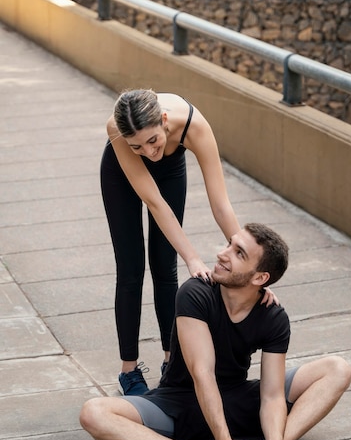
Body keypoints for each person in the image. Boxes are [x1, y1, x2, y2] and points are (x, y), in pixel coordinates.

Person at [80, 223, 351, 440]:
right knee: (94, 413)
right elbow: (203, 375)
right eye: (229, 245)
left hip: (236, 400)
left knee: (337, 369)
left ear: (260, 278)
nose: (223, 254)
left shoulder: (273, 316)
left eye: (238, 253)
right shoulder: (195, 293)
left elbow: (271, 395)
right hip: (179, 406)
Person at [101, 88, 277, 397]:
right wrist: (193, 258)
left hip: (172, 173)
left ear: (165, 120)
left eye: (153, 141)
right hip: (120, 175)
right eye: (138, 145)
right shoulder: (118, 130)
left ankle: (172, 363)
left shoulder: (195, 127)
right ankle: (129, 371)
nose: (149, 152)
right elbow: (154, 203)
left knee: (165, 265)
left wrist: (251, 267)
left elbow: (221, 204)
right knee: (131, 270)